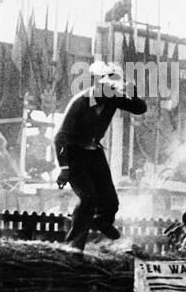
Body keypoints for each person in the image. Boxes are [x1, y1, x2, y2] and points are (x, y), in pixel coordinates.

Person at [54, 61, 147, 249]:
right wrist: (64, 168)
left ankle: (101, 221)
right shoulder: (81, 102)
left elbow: (139, 108)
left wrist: (131, 89)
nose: (111, 94)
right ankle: (74, 245)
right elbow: (59, 137)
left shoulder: (112, 97)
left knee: (110, 200)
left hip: (94, 151)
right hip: (73, 153)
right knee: (88, 198)